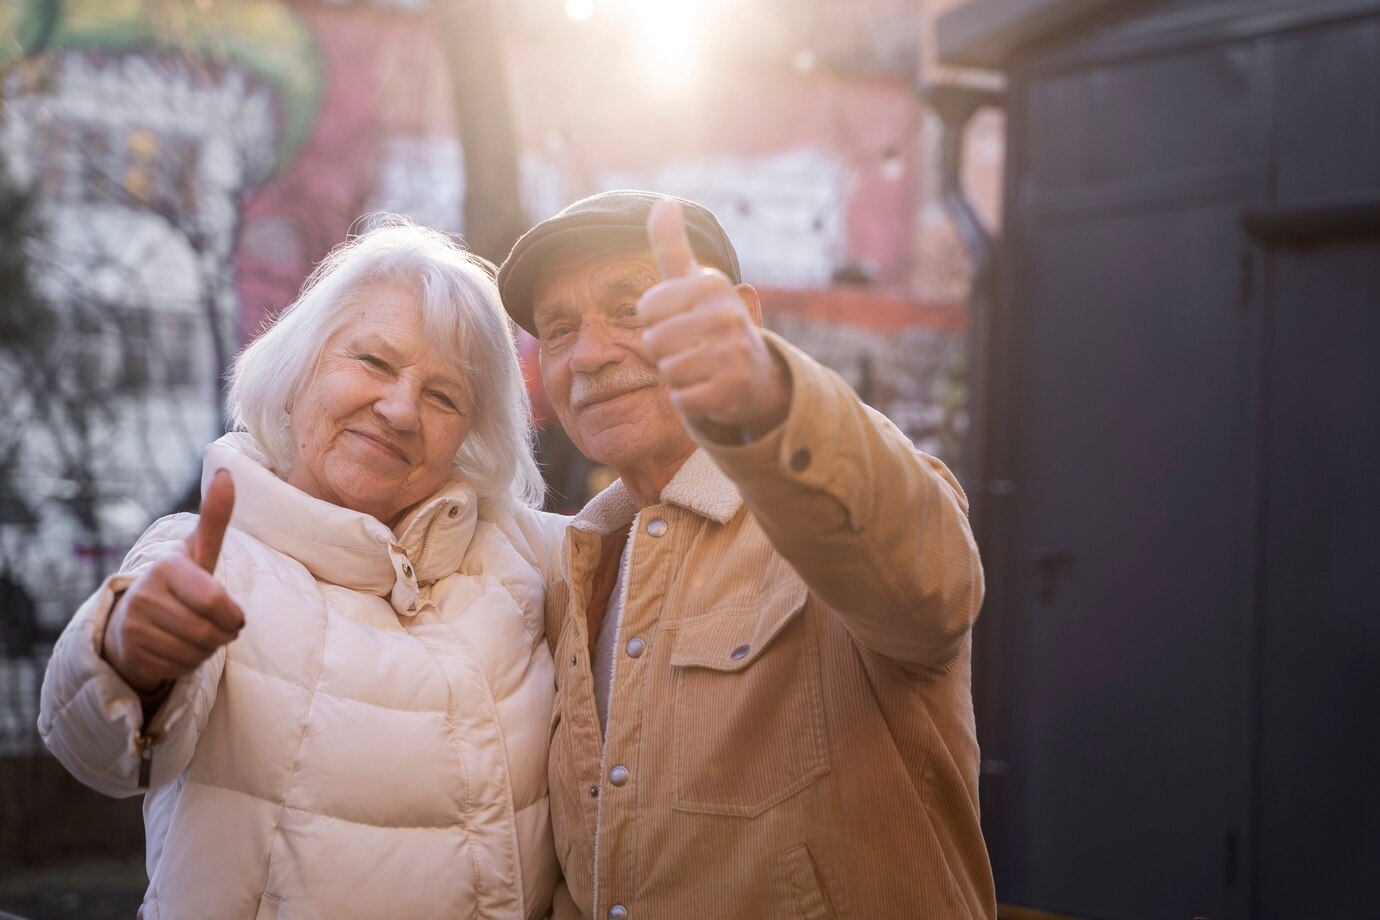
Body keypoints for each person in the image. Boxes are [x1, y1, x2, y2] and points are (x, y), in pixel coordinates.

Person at [39, 220, 564, 919]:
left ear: (471, 435)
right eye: (375, 363)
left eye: (443, 397)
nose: (402, 409)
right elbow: (94, 748)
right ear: (299, 368)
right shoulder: (208, 555)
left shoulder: (520, 555)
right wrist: (130, 654)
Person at [496, 190, 995, 919]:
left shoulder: (826, 511)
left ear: (746, 321)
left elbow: (931, 585)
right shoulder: (574, 572)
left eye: (632, 309)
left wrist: (769, 398)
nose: (590, 354)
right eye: (560, 329)